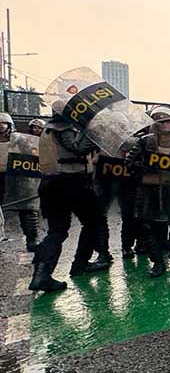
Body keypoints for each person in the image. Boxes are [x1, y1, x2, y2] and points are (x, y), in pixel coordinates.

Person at [29, 101, 110, 292]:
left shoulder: (48, 129)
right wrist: (93, 132)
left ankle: (42, 274)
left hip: (52, 184)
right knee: (92, 222)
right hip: (72, 183)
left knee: (57, 231)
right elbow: (77, 148)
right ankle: (79, 264)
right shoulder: (63, 128)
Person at [127, 107, 170, 278]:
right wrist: (146, 169)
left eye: (169, 122)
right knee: (151, 227)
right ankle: (158, 262)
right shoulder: (145, 142)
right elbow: (129, 161)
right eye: (162, 122)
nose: (166, 125)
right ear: (155, 125)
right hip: (151, 190)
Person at [1, 114, 41, 252]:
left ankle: (32, 240)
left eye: (4, 123)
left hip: (16, 176)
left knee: (27, 209)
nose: (1, 125)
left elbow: (34, 153)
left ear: (9, 125)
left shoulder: (19, 140)